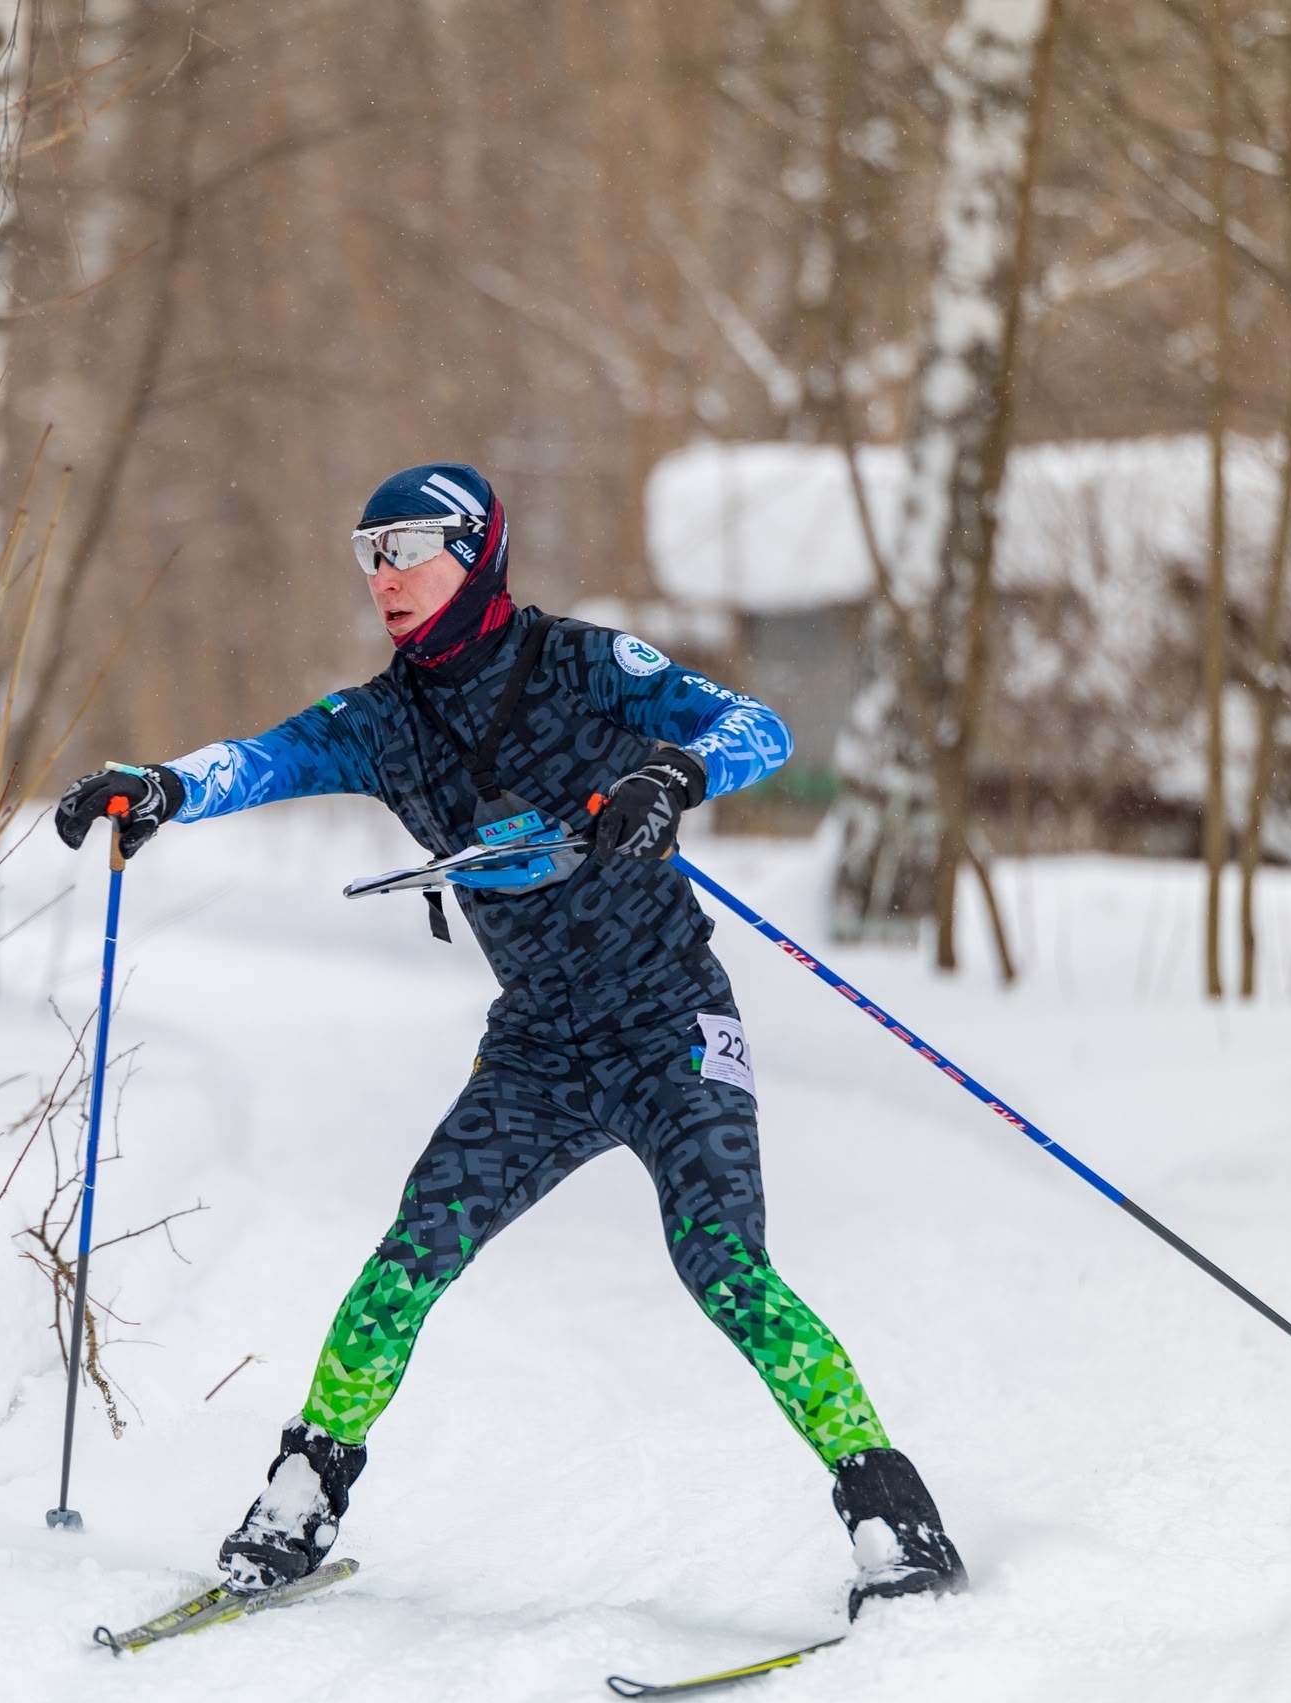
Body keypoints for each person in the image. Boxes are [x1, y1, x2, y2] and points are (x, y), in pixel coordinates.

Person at [54, 462, 965, 1622]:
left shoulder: (582, 664)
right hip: (538, 1047)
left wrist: (671, 774)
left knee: (724, 1267)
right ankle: (300, 1495)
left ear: (476, 550)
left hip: (669, 1022)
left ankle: (895, 1520)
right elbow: (262, 758)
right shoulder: (383, 723)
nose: (382, 575)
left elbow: (760, 727)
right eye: (366, 551)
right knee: (412, 1252)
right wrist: (161, 787)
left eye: (406, 547)